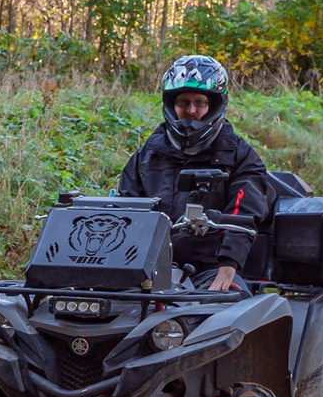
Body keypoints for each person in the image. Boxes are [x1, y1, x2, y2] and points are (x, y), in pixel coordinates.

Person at [116, 54, 273, 290]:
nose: (191, 110)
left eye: (200, 102)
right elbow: (126, 209)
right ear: (171, 104)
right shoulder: (148, 155)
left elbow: (245, 209)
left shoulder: (238, 154)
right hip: (151, 266)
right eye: (183, 102)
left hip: (211, 268)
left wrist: (229, 263)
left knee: (231, 305)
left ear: (214, 105)